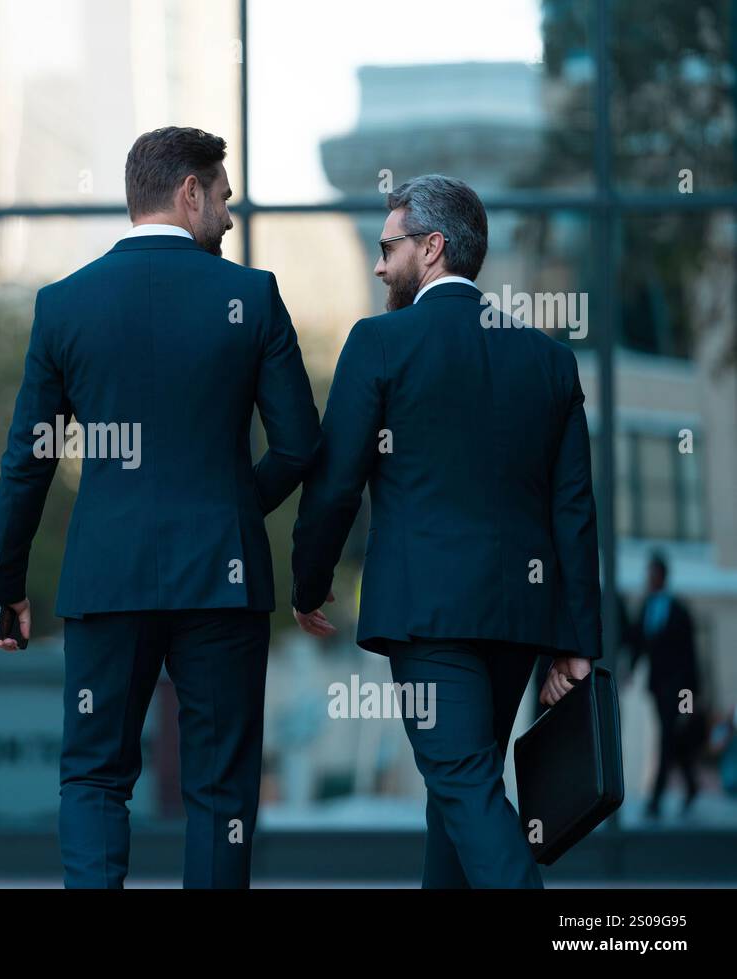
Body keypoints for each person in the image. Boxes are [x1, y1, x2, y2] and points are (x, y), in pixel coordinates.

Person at [0, 126, 320, 888]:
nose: (229, 218)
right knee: (220, 792)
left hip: (108, 576)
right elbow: (299, 446)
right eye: (224, 197)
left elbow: (27, 457)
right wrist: (231, 510)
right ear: (189, 192)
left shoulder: (65, 305)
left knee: (95, 778)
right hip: (222, 583)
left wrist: (1, 583)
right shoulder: (251, 297)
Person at [290, 174, 602, 888]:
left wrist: (309, 583)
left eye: (387, 247)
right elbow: (574, 512)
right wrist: (574, 640)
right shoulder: (548, 361)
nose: (378, 264)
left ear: (431, 249)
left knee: (463, 786)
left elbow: (336, 483)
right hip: (516, 620)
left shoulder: (379, 343)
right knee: (458, 791)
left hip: (429, 615)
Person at [627, 551, 702, 818]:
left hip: (680, 687)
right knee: (673, 736)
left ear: (663, 576)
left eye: (653, 573)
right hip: (658, 686)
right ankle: (692, 785)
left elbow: (691, 656)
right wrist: (630, 671)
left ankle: (656, 798)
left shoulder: (679, 610)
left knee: (668, 735)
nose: (649, 578)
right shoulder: (647, 607)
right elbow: (638, 643)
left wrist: (691, 696)